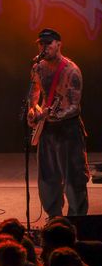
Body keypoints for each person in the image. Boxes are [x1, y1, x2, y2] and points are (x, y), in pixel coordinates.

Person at [27, 28, 90, 218]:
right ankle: (54, 219)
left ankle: (76, 221)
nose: (44, 47)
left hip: (68, 130)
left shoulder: (71, 71)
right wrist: (33, 110)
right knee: (47, 178)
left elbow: (74, 106)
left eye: (48, 43)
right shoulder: (38, 68)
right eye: (41, 44)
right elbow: (34, 95)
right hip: (47, 130)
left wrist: (56, 115)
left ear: (58, 44)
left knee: (74, 179)